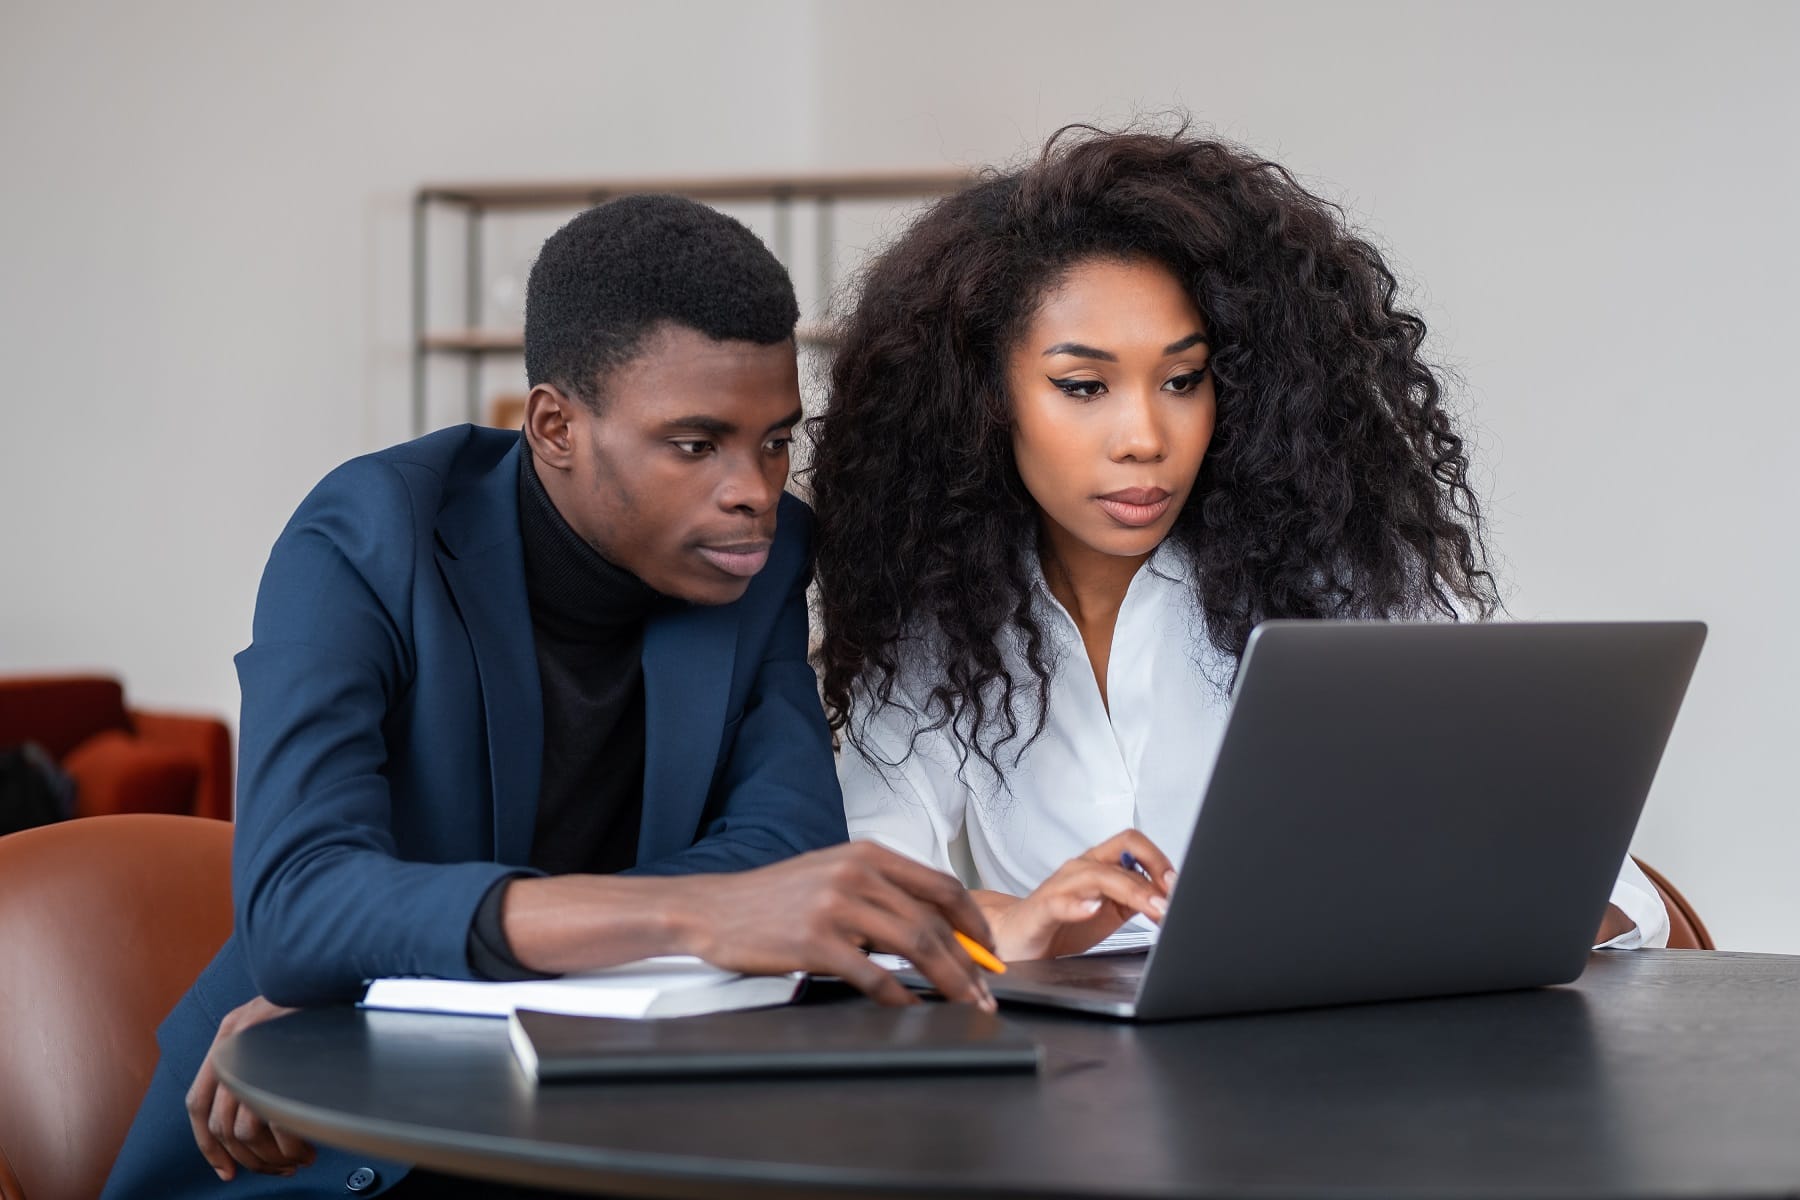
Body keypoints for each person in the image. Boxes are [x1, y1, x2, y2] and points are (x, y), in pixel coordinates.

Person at [104, 195, 995, 1200]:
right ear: (555, 425)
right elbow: (300, 907)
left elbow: (782, 848)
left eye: (776, 439)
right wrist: (695, 913)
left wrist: (400, 997)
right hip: (304, 1147)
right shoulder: (366, 539)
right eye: (696, 444)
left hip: (572, 1114)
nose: (753, 487)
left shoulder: (759, 558)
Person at [808, 124, 1669, 963]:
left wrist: (1377, 922)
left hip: (1336, 1074)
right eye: (1083, 386)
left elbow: (1619, 901)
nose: (1144, 436)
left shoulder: (1347, 585)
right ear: (981, 398)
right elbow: (863, 900)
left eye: (1184, 380)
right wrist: (1018, 925)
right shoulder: (942, 628)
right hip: (1076, 1086)